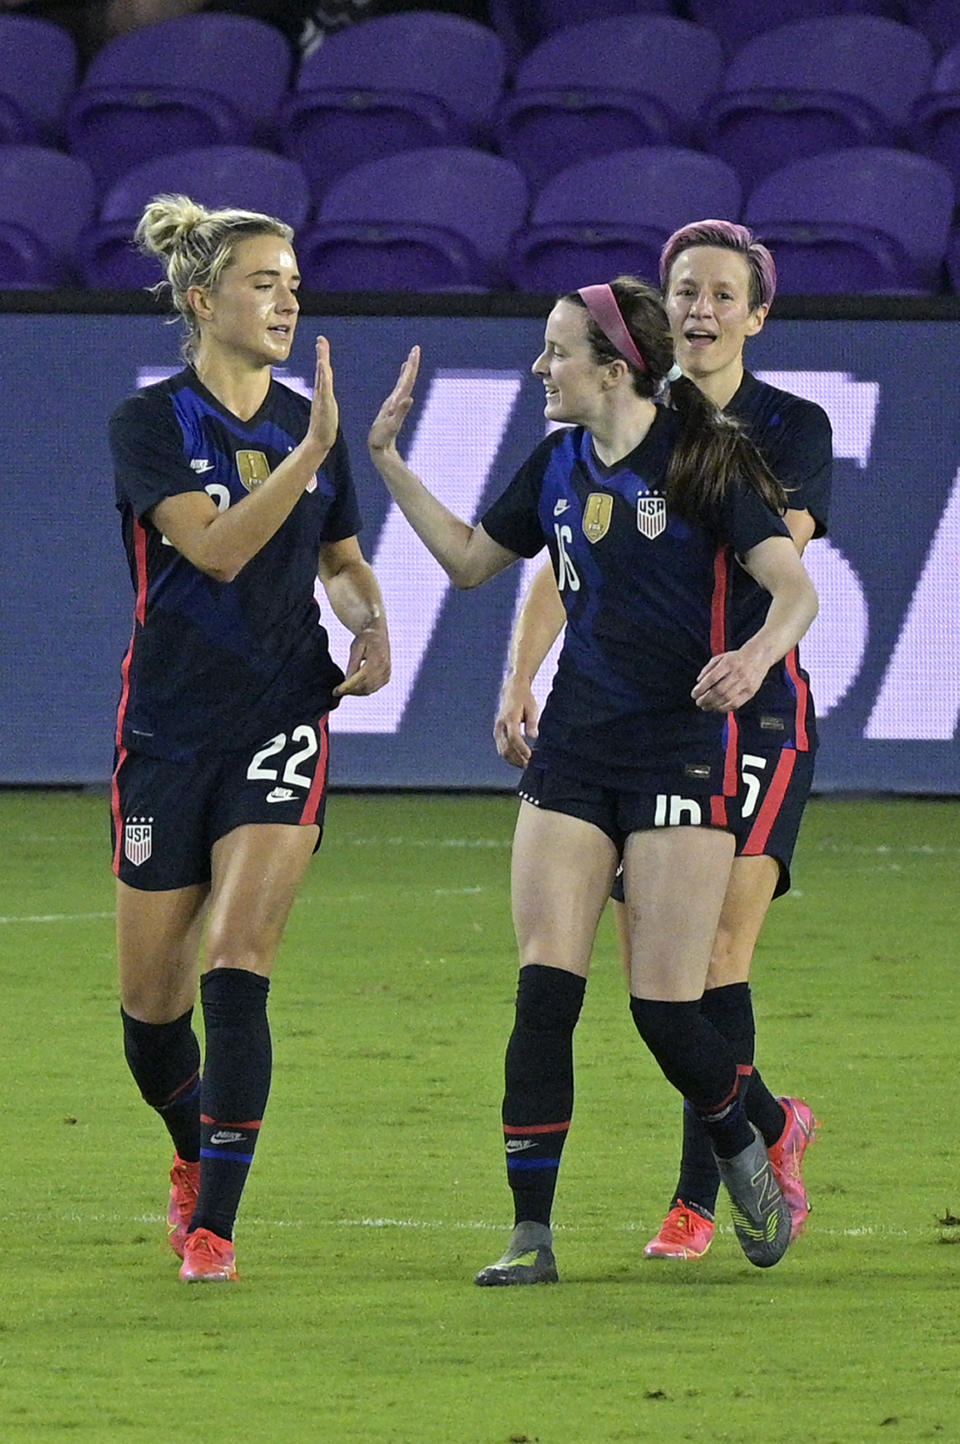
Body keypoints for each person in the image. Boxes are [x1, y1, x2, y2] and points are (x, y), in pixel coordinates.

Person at [367, 275, 819, 1282]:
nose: (541, 368)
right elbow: (472, 561)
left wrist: (751, 661)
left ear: (613, 370)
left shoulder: (702, 463)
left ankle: (759, 1133)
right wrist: (390, 464)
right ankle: (531, 1236)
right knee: (544, 993)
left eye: (556, 351)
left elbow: (794, 588)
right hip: (574, 751)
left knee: (665, 1009)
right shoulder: (558, 461)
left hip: (680, 751)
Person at [494, 220, 832, 1263]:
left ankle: (701, 1193)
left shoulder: (784, 427)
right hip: (634, 719)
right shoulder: (624, 419)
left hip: (751, 712)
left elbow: (777, 558)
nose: (701, 309)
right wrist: (523, 673)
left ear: (756, 316)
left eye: (724, 294)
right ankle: (763, 1127)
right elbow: (562, 557)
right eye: (685, 290)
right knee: (655, 974)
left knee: (711, 957)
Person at [109, 194, 390, 1283]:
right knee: (149, 1016)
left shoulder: (304, 421)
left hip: (283, 714)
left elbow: (342, 560)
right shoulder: (152, 425)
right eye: (264, 282)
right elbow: (219, 549)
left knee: (237, 962)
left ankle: (215, 1229)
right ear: (201, 299)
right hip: (169, 731)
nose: (287, 300)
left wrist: (370, 620)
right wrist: (308, 450)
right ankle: (193, 1150)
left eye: (294, 283)